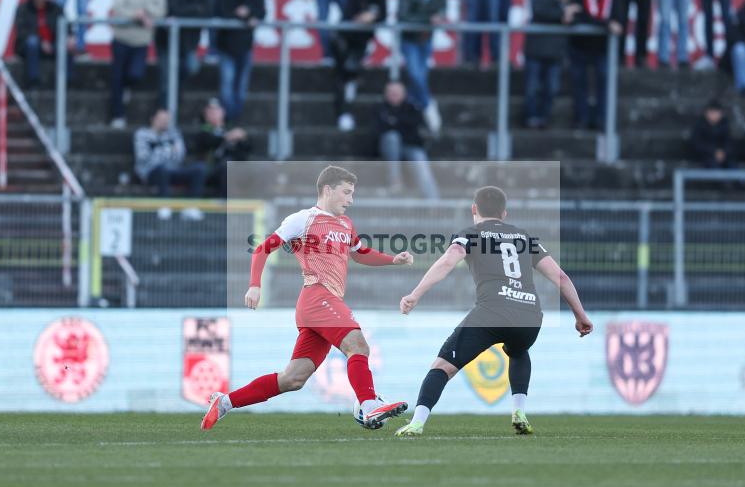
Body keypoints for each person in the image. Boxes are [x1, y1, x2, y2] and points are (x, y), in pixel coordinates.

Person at [201, 166, 414, 431]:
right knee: (358, 346)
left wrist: (393, 259)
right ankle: (368, 405)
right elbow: (262, 248)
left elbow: (360, 253)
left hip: (319, 305)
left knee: (293, 378)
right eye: (346, 193)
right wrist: (254, 285)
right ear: (328, 189)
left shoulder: (346, 224)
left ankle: (224, 403)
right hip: (317, 296)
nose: (350, 200)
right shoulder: (303, 219)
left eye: (352, 194)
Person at [395, 186, 593, 436]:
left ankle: (417, 422)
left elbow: (447, 262)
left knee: (442, 366)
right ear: (504, 213)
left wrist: (415, 294)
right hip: (530, 315)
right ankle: (519, 411)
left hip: (491, 312)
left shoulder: (470, 234)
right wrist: (580, 315)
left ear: (474, 209)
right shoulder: (524, 238)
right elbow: (561, 278)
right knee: (519, 350)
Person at [108, 0, 167, 128]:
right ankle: (117, 115)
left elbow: (161, 12)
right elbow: (118, 10)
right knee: (116, 78)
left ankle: (127, 87)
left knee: (136, 74)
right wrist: (137, 15)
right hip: (121, 38)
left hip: (142, 40)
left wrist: (145, 13)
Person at [332, 0, 387, 132]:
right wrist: (360, 19)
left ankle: (346, 109)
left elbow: (382, 16)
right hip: (345, 41)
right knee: (344, 75)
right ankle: (342, 112)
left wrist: (373, 18)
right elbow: (347, 17)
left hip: (362, 43)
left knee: (351, 75)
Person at [569, 0, 622, 130]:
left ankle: (602, 119)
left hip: (603, 49)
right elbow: (578, 17)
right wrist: (605, 24)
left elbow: (619, 20)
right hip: (580, 48)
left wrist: (595, 21)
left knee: (604, 83)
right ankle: (582, 118)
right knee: (579, 83)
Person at [524, 0, 578, 128]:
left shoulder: (567, 2)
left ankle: (544, 116)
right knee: (532, 86)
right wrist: (563, 15)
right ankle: (531, 116)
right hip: (536, 50)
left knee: (552, 87)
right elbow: (540, 11)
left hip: (555, 53)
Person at [398, 0, 446, 136]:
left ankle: (414, 110)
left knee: (420, 76)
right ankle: (429, 106)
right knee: (415, 73)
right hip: (409, 38)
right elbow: (403, 16)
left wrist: (439, 16)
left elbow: (442, 8)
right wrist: (427, 20)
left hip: (426, 37)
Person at [134, 108, 207, 219]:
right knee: (162, 169)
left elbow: (180, 156)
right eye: (161, 119)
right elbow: (143, 156)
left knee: (199, 168)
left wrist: (157, 151)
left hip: (173, 170)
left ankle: (191, 206)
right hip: (152, 172)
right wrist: (168, 151)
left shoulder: (174, 134)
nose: (164, 122)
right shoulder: (142, 134)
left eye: (166, 120)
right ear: (152, 119)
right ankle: (164, 205)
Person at [214, 0, 265, 121]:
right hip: (226, 46)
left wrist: (249, 14)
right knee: (227, 85)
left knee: (241, 88)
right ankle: (228, 118)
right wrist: (244, 16)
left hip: (245, 46)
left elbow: (261, 12)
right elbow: (221, 12)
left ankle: (236, 118)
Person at [156, 0, 211, 107]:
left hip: (189, 43)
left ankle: (174, 104)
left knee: (191, 68)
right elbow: (173, 10)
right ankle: (164, 110)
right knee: (166, 78)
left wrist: (185, 12)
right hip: (166, 42)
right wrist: (194, 10)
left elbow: (206, 12)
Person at [376, 81, 440, 199]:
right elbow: (379, 131)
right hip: (389, 148)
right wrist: (401, 124)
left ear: (404, 94)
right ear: (386, 94)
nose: (394, 95)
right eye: (391, 93)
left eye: (397, 93)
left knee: (421, 164)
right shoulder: (380, 109)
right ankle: (395, 181)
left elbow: (417, 128)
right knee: (392, 138)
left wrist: (395, 122)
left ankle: (434, 204)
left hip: (411, 145)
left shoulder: (413, 107)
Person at [13, 0, 75, 88]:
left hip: (52, 45)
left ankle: (68, 82)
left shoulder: (57, 9)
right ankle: (33, 80)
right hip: (31, 47)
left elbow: (67, 27)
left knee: (65, 46)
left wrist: (70, 37)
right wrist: (41, 42)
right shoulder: (23, 9)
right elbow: (22, 32)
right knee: (32, 42)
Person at [193, 98, 250, 197]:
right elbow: (208, 142)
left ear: (223, 112)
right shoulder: (203, 131)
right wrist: (228, 136)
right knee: (226, 165)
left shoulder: (230, 128)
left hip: (235, 166)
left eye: (216, 111)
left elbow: (247, 148)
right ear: (205, 114)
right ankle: (225, 202)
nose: (213, 114)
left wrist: (243, 138)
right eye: (210, 111)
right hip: (211, 169)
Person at [689, 99, 734, 168]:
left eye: (716, 112)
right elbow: (697, 144)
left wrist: (723, 152)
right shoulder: (700, 126)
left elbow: (729, 142)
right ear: (706, 113)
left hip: (723, 157)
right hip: (704, 157)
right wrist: (713, 152)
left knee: (732, 165)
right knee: (712, 165)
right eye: (712, 112)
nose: (714, 115)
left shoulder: (725, 126)